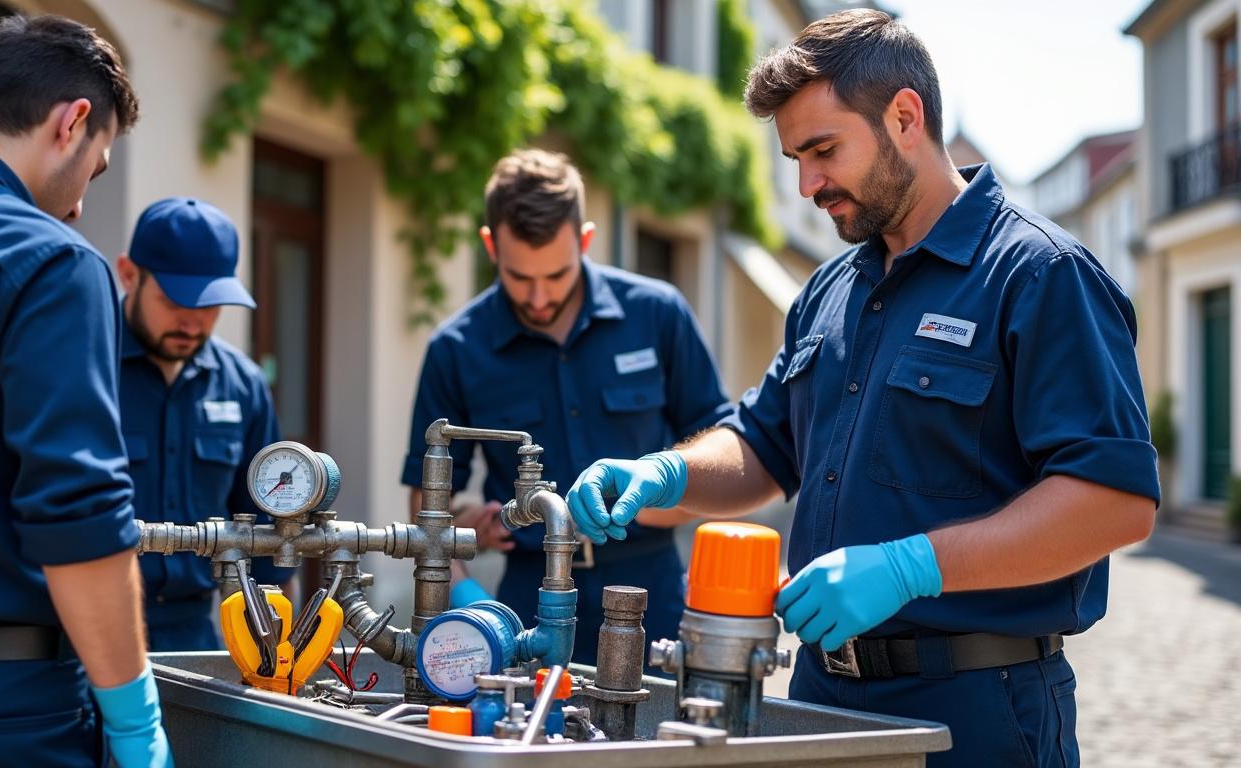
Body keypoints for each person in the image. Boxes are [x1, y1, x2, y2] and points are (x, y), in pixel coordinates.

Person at [566, 10, 1157, 766]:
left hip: (976, 711)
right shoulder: (830, 289)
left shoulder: (1040, 275)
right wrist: (665, 473)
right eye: (795, 159)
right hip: (819, 699)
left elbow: (1115, 502)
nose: (808, 183)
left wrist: (912, 567)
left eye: (823, 150)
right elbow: (763, 443)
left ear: (905, 117)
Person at [0, 15, 170, 768]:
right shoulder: (48, 262)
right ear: (72, 121)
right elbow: (76, 517)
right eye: (99, 165)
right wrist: (135, 721)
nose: (82, 202)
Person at [401, 149, 733, 666]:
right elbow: (427, 509)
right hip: (521, 603)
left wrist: (650, 502)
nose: (537, 297)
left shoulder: (657, 314)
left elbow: (723, 459)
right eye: (518, 277)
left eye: (555, 276)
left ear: (585, 241)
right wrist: (467, 582)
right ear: (491, 246)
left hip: (651, 593)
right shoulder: (456, 349)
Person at [116, 197, 295, 651]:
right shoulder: (83, 368)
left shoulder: (243, 385)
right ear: (128, 274)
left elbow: (272, 535)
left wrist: (275, 653)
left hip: (197, 633)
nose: (192, 320)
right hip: (89, 629)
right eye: (175, 298)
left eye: (210, 303)